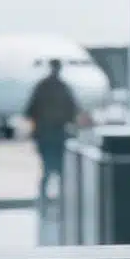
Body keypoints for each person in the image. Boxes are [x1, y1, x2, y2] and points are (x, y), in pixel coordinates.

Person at [25, 59, 80, 213]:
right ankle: (62, 205)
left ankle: (43, 203)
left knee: (47, 171)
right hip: (58, 134)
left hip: (45, 134)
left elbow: (30, 111)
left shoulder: (42, 87)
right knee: (59, 171)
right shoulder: (63, 88)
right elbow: (73, 111)